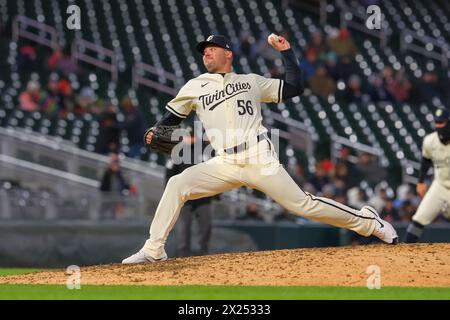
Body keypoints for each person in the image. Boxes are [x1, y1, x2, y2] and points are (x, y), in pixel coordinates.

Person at [122, 33, 397, 264]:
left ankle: (368, 222)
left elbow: (294, 87)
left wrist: (287, 53)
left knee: (302, 205)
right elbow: (172, 119)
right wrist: (157, 132)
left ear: (228, 53)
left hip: (257, 156)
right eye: (203, 51)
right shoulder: (195, 86)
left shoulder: (251, 81)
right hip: (224, 162)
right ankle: (154, 249)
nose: (205, 54)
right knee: (177, 184)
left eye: (211, 49)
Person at [404, 108, 450, 243]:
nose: (438, 126)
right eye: (436, 122)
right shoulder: (430, 141)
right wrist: (421, 181)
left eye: (442, 122)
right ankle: (403, 252)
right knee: (419, 218)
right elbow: (426, 160)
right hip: (440, 185)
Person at [167, 127, 213, 257]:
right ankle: (183, 253)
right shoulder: (177, 152)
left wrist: (215, 193)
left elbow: (214, 170)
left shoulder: (204, 150)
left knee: (206, 224)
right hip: (185, 196)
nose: (189, 139)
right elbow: (169, 173)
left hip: (203, 195)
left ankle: (203, 251)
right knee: (184, 226)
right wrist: (172, 193)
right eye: (187, 136)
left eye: (191, 136)